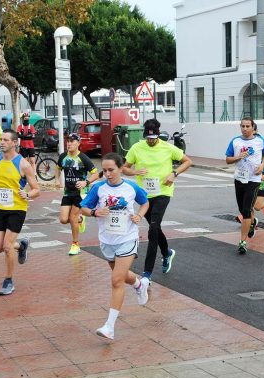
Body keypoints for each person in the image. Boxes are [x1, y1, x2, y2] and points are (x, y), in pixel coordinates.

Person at [80, 153, 149, 340]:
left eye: (111, 170)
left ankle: (109, 326)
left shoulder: (131, 187)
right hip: (107, 240)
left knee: (116, 280)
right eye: (105, 170)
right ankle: (139, 283)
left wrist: (139, 216)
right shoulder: (98, 188)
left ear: (120, 169)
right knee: (122, 275)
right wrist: (94, 212)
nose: (108, 174)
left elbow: (145, 202)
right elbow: (83, 208)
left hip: (127, 237)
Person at [123, 119, 192, 281]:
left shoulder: (168, 147)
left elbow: (188, 161)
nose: (151, 141)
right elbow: (124, 168)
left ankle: (147, 273)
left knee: (153, 230)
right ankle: (167, 252)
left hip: (163, 192)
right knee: (156, 227)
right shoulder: (137, 148)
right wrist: (135, 172)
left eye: (153, 138)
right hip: (144, 195)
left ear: (158, 135)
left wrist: (174, 174)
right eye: (148, 138)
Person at [0, 130, 40, 295]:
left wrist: (27, 194)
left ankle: (8, 281)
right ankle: (21, 246)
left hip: (17, 209)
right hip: (0, 208)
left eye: (5, 140)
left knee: (7, 247)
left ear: (14, 143)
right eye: (1, 139)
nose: (1, 142)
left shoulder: (23, 164)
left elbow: (37, 189)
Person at [226, 117, 264, 254]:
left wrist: (262, 166)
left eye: (247, 126)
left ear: (253, 127)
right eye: (243, 126)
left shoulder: (260, 141)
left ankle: (242, 242)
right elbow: (228, 159)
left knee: (246, 210)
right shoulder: (235, 141)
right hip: (239, 178)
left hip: (254, 179)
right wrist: (238, 157)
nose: (245, 129)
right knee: (243, 209)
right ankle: (252, 222)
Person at [55, 133, 99, 255]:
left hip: (80, 193)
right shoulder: (63, 156)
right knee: (64, 219)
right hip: (68, 192)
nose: (69, 144)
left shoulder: (83, 158)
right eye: (68, 141)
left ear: (78, 143)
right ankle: (80, 218)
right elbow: (57, 168)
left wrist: (86, 182)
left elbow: (96, 173)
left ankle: (75, 244)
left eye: (72, 142)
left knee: (72, 217)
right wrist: (57, 180)